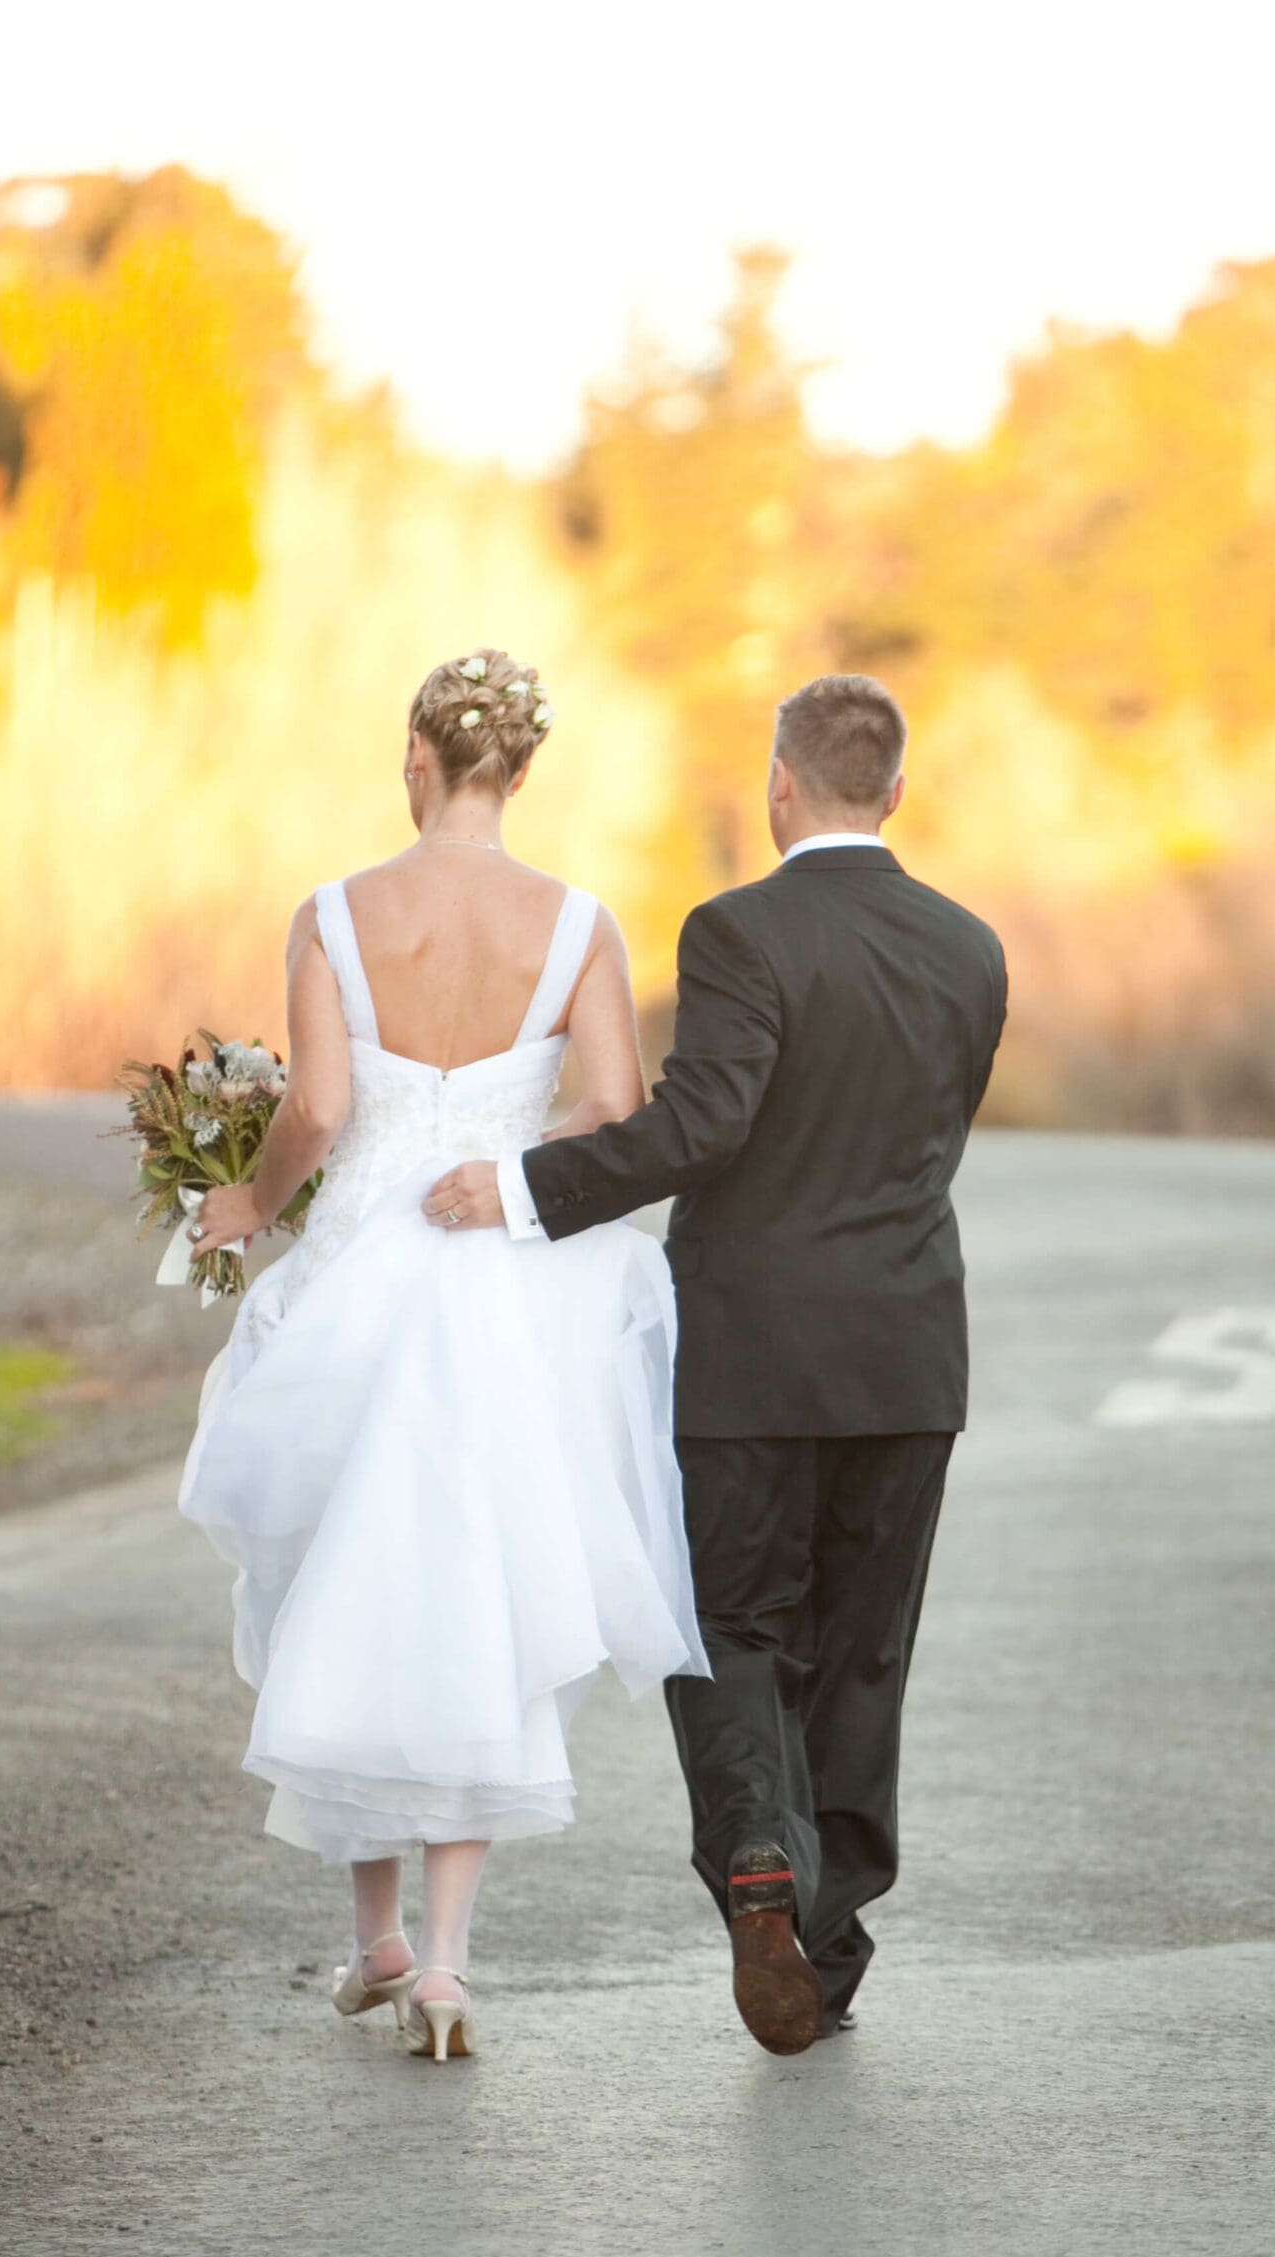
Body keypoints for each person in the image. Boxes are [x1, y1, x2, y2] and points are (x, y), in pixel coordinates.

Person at [427, 672, 1007, 2054]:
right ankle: (833, 1939)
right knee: (865, 1655)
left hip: (749, 1354)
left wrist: (517, 1188)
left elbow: (703, 1126)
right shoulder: (972, 947)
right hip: (910, 1358)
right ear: (900, 792)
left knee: (730, 1626)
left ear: (781, 787)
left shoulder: (741, 931)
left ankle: (756, 1862)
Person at [179, 650, 707, 2063]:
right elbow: (612, 1104)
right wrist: (502, 1156)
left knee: (344, 1574)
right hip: (503, 1291)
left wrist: (245, 1202)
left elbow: (322, 1109)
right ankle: (450, 1970)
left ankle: (375, 1941)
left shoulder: (336, 915)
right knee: (478, 1592)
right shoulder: (582, 921)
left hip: (362, 1278)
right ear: (518, 773)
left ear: (418, 755)